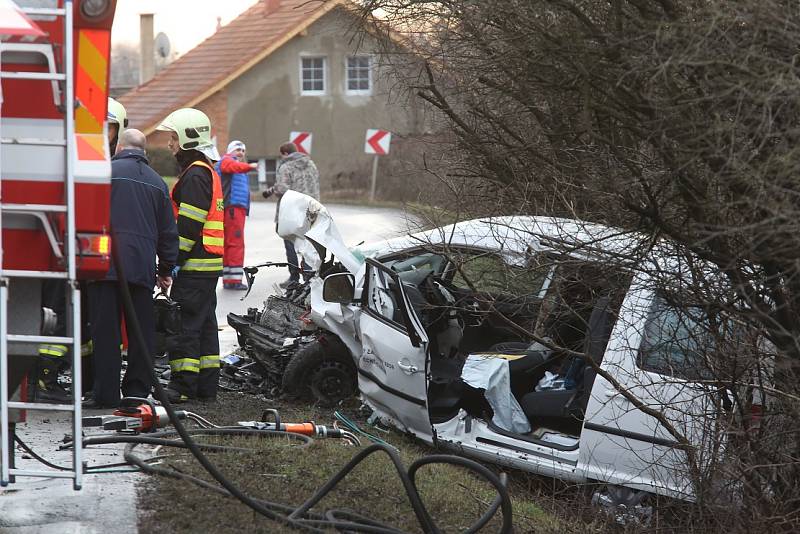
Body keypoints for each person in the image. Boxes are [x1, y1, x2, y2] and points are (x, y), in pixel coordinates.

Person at [84, 129, 178, 409]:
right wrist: (165, 268)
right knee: (141, 332)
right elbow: (167, 231)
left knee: (106, 332)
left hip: (103, 266)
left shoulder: (104, 173)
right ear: (144, 152)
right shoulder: (157, 182)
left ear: (119, 148)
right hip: (141, 268)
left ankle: (106, 393)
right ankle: (137, 390)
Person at [157, 108, 224, 403]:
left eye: (173, 138)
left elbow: (188, 227)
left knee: (184, 326)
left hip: (195, 266)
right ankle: (206, 387)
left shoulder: (196, 175)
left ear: (186, 138)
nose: (170, 145)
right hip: (206, 266)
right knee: (205, 325)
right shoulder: (205, 170)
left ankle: (182, 388)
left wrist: (170, 262)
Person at [262, 142, 319, 287]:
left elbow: (282, 188)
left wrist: (271, 190)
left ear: (285, 154)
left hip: (292, 211)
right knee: (308, 243)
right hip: (312, 209)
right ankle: (309, 276)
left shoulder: (286, 166)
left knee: (291, 242)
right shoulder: (311, 164)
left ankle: (294, 278)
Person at [215, 140, 256, 290]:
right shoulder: (227, 161)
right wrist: (249, 166)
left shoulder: (234, 164)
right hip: (233, 209)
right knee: (235, 243)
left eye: (243, 151)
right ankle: (233, 281)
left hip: (233, 209)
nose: (241, 153)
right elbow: (232, 166)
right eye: (238, 149)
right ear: (230, 150)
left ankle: (229, 278)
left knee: (230, 243)